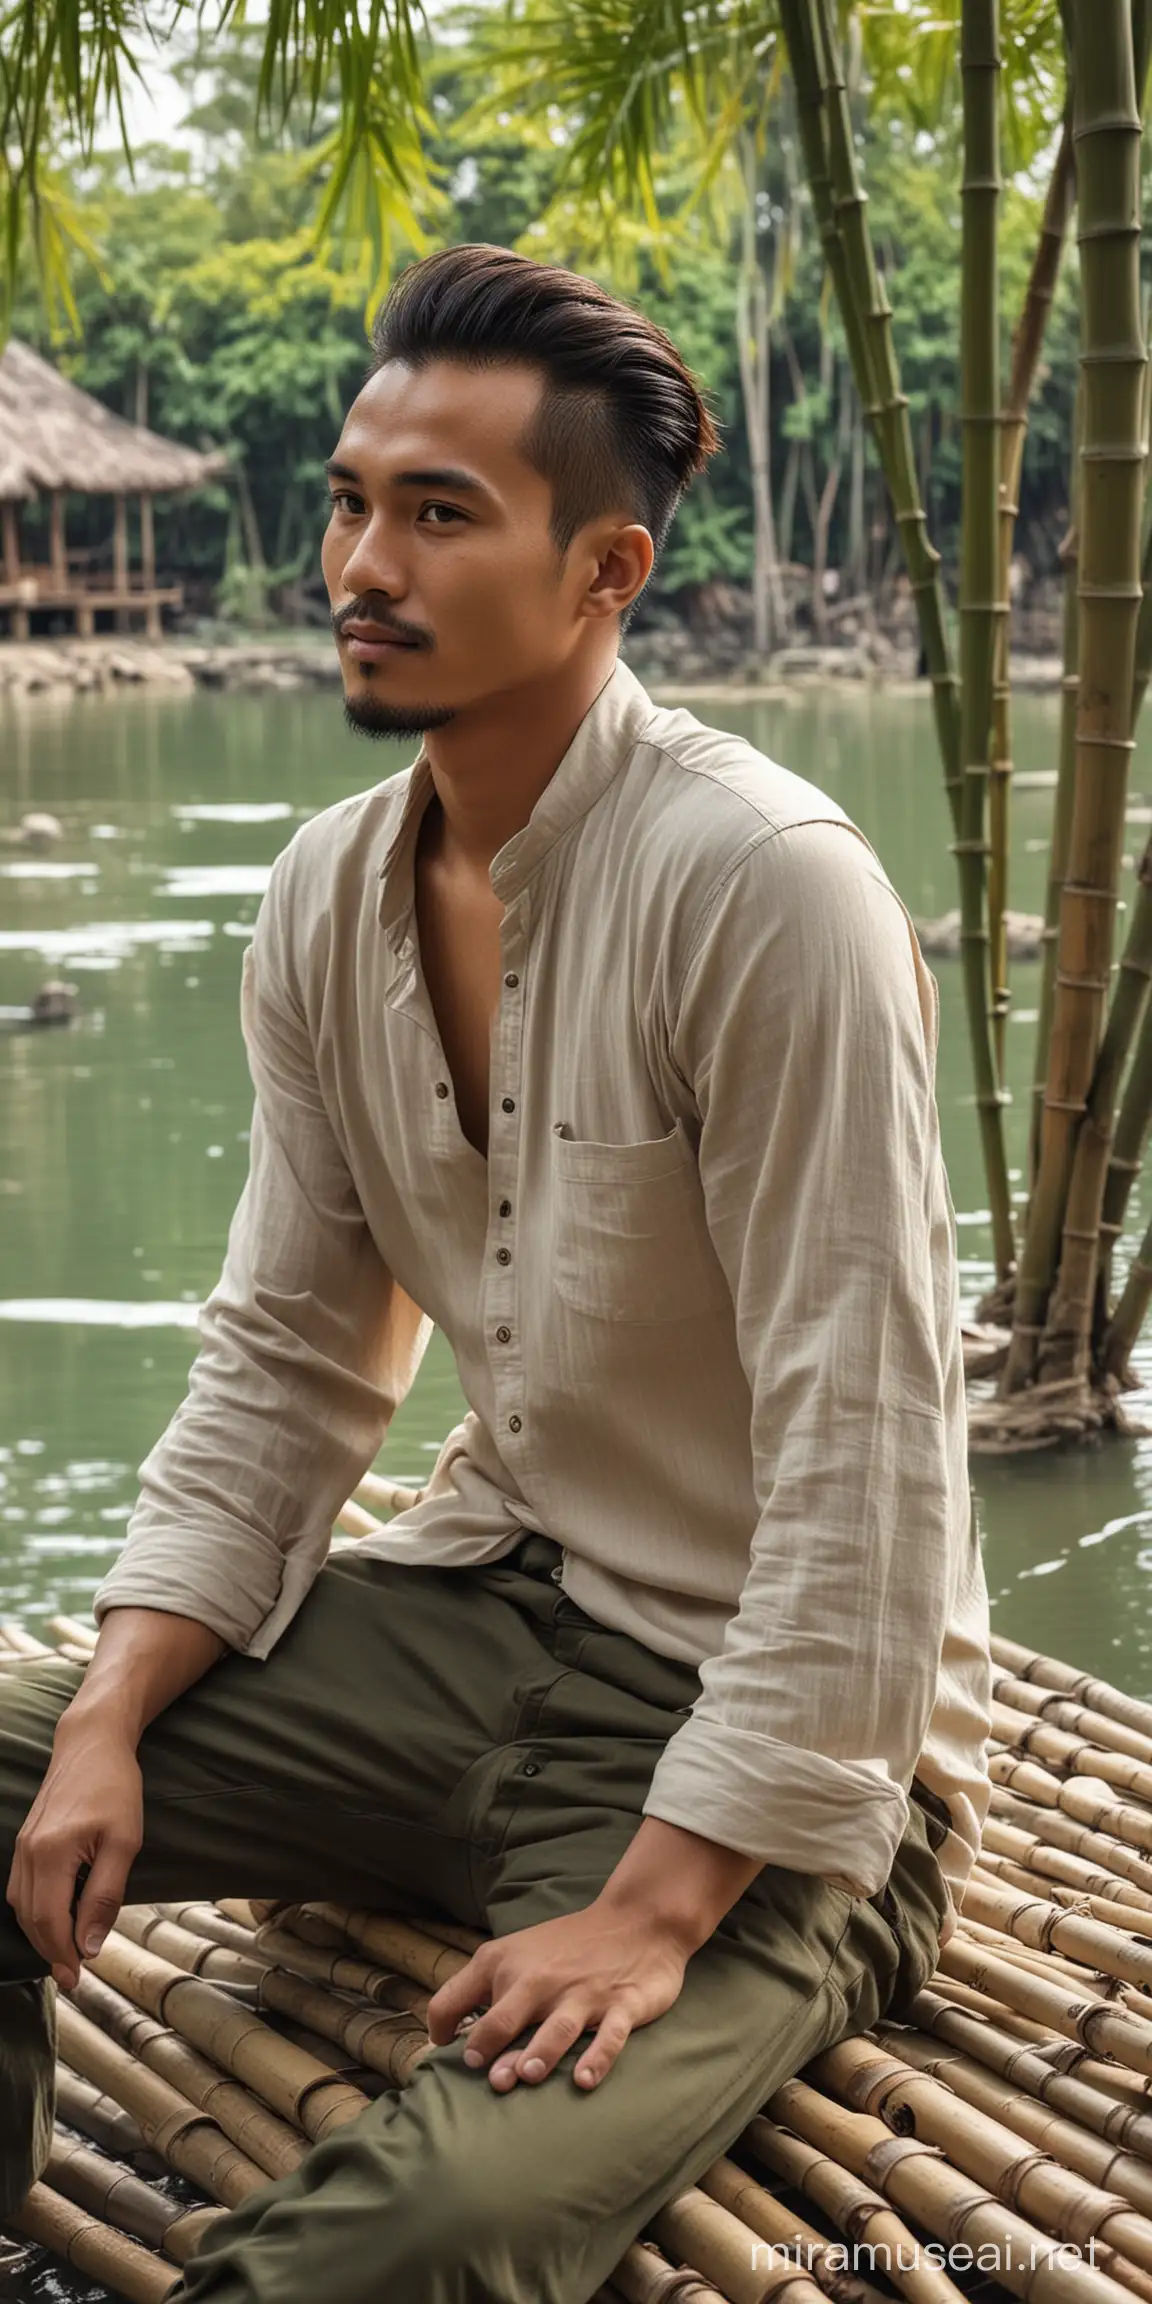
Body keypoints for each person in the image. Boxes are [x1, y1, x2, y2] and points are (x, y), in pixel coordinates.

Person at [0, 243, 991, 2304]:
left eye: (442, 515)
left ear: (608, 571)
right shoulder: (323, 891)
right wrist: (109, 1711)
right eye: (359, 500)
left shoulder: (769, 893)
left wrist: (657, 1903)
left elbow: (869, 1463)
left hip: (784, 1767)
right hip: (478, 1623)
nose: (364, 559)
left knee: (435, 2231)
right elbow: (287, 1358)